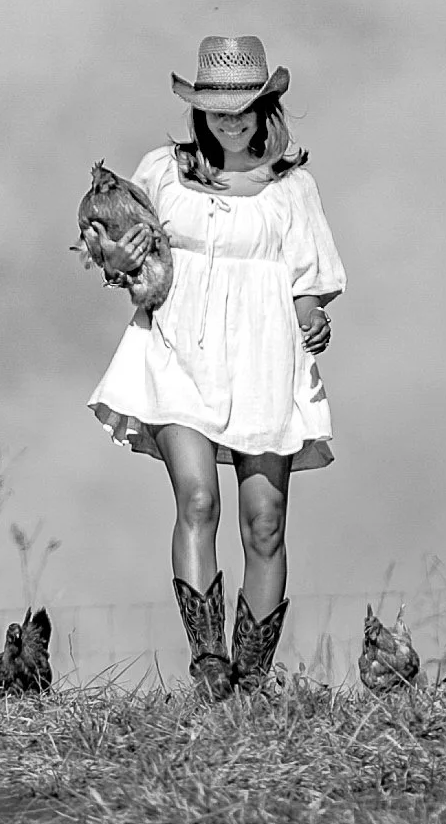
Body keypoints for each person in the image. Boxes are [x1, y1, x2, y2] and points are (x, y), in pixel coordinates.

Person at [83, 35, 346, 699]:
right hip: (179, 347)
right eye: (217, 108)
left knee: (266, 520)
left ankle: (250, 683)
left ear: (266, 109)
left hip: (266, 355)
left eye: (244, 107)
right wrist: (118, 255)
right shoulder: (162, 172)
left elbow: (308, 279)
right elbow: (110, 249)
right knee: (197, 498)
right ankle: (209, 664)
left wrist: (313, 316)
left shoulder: (293, 187)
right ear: (199, 110)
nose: (230, 119)